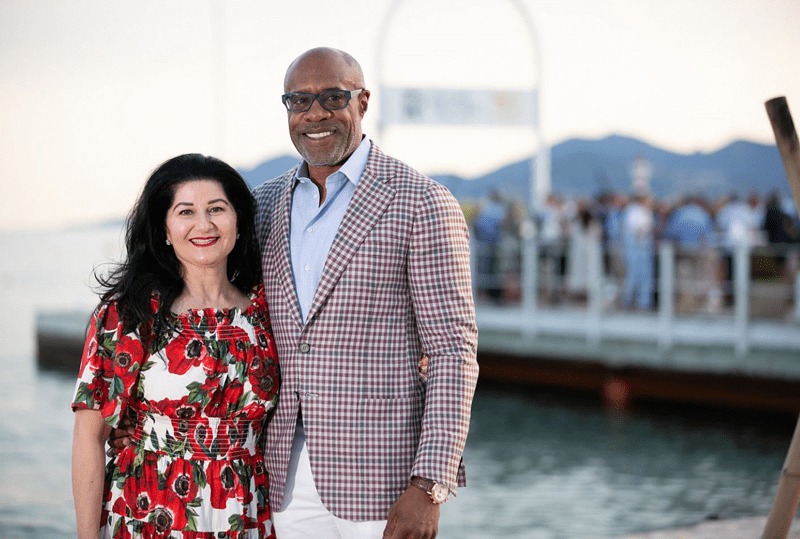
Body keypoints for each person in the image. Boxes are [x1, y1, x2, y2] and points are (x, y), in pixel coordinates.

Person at [252, 47, 479, 539]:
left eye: (333, 97)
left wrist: (430, 483)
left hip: (385, 487)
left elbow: (452, 351)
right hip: (279, 482)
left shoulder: (421, 201)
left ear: (363, 102)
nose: (315, 114)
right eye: (298, 101)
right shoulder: (261, 205)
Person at [71, 154, 280, 538]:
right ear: (165, 228)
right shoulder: (127, 316)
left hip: (243, 508)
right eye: (186, 211)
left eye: (217, 209)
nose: (204, 224)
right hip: (148, 509)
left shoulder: (267, 313)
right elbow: (89, 437)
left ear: (237, 221)